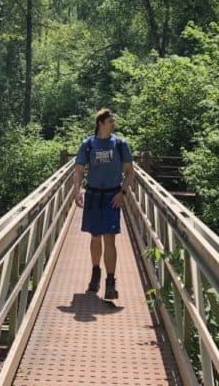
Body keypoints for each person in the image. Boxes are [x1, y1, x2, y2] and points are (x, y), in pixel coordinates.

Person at [73, 108, 134, 300]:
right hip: (93, 195)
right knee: (95, 237)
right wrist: (77, 191)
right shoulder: (88, 144)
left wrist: (122, 192)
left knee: (110, 239)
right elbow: (78, 170)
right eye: (110, 121)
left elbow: (130, 171)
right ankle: (95, 272)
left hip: (112, 196)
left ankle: (110, 282)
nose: (113, 124)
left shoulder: (120, 144)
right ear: (101, 122)